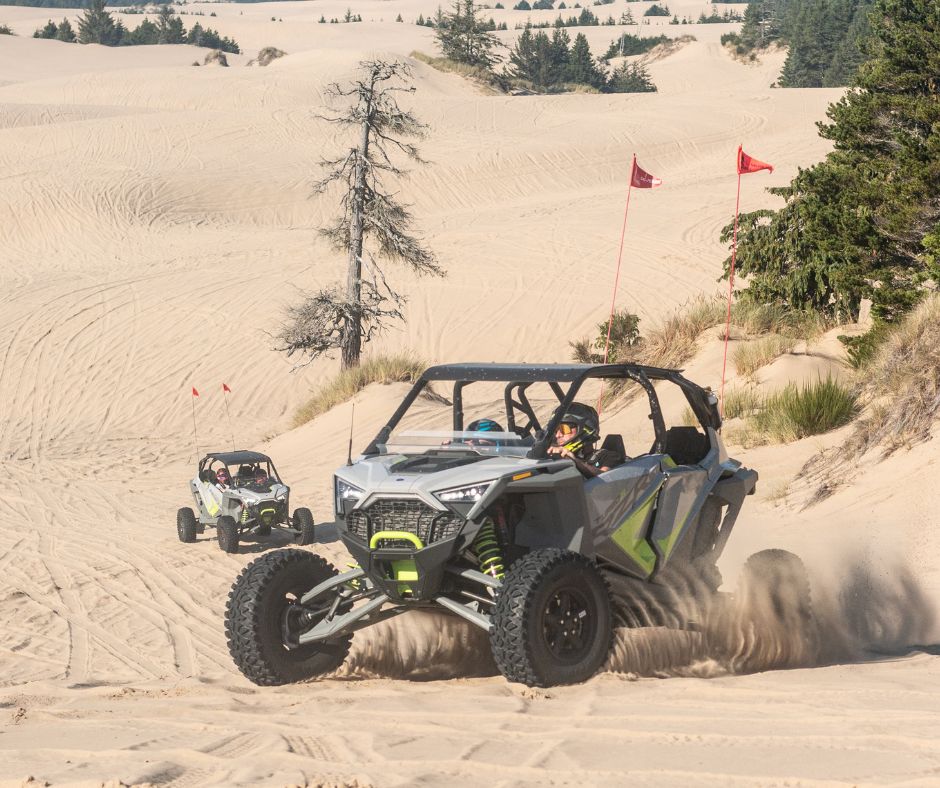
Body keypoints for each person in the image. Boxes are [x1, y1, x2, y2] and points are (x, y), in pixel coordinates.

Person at [547, 402, 618, 478]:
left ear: (585, 429)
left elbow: (606, 478)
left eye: (563, 429)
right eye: (555, 430)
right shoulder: (552, 457)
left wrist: (573, 460)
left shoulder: (608, 456)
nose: (558, 435)